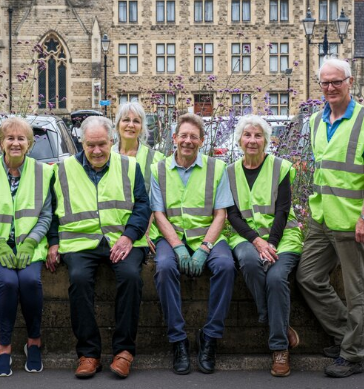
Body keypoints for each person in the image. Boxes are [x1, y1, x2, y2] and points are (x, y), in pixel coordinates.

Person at [296, 58, 364, 378]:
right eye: (325, 83)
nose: (330, 88)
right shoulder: (316, 121)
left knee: (357, 289)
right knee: (308, 276)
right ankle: (350, 335)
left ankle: (353, 354)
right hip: (321, 216)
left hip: (350, 220)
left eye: (336, 82)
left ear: (350, 82)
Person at [46, 116, 150, 379]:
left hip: (122, 239)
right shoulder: (62, 169)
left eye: (102, 144)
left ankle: (124, 351)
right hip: (80, 241)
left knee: (131, 277)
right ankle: (88, 354)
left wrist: (129, 236)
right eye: (90, 145)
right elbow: (50, 210)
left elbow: (141, 205)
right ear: (81, 142)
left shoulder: (129, 165)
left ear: (112, 141)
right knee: (79, 280)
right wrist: (54, 242)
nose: (96, 151)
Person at [151, 113, 236, 375]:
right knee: (164, 268)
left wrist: (204, 248)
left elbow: (220, 214)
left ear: (202, 141)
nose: (188, 141)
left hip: (207, 237)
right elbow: (158, 213)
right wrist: (177, 245)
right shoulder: (159, 169)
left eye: (194, 137)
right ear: (174, 138)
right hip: (171, 236)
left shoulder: (217, 168)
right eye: (184, 136)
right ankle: (178, 340)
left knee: (226, 266)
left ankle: (209, 337)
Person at [0, 117, 54, 377]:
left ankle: (34, 342)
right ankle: (4, 347)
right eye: (10, 138)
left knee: (30, 282)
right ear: (0, 142)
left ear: (29, 144)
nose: (15, 143)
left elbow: (46, 215)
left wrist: (30, 242)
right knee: (8, 282)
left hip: (30, 246)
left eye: (21, 139)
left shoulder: (43, 172)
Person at [225, 115, 303, 377]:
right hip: (246, 237)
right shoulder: (229, 172)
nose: (252, 140)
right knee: (248, 260)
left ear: (266, 141)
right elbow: (233, 214)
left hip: (282, 237)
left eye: (258, 136)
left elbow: (282, 210)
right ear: (239, 139)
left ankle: (279, 349)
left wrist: (270, 244)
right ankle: (275, 323)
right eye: (247, 135)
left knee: (277, 278)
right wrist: (257, 242)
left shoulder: (280, 167)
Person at [113, 101, 165, 251]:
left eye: (136, 121)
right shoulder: (106, 156)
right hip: (113, 229)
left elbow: (157, 202)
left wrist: (144, 231)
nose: (131, 125)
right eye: (126, 120)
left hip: (145, 230)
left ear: (142, 127)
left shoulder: (157, 159)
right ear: (117, 125)